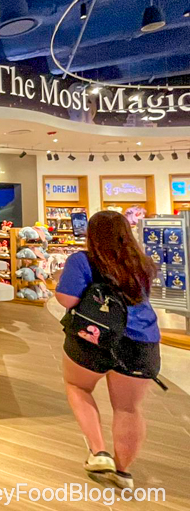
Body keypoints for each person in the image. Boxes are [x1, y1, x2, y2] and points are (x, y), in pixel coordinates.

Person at [55, 210, 160, 490]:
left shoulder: (82, 260)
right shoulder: (141, 263)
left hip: (93, 336)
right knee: (128, 408)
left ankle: (99, 452)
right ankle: (123, 471)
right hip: (140, 341)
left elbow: (67, 300)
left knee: (78, 387)